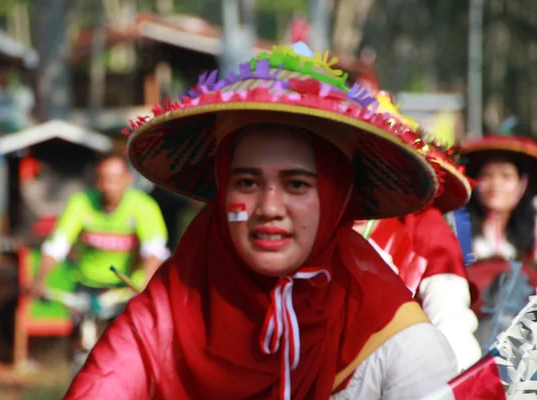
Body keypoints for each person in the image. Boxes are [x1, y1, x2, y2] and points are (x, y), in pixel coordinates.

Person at [64, 43, 457, 399]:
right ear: (222, 190)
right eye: (247, 182)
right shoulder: (167, 311)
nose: (269, 206)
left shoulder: (401, 345)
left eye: (297, 184)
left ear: (337, 196)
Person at [352, 95, 481, 371]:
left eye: (376, 164)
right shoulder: (310, 217)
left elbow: (451, 320)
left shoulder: (424, 226)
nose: (363, 177)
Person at [30, 153, 170, 296]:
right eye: (103, 178)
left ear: (128, 179)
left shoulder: (144, 206)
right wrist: (39, 280)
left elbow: (154, 250)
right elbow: (57, 245)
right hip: (86, 284)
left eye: (114, 179)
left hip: (125, 287)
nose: (108, 186)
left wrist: (145, 284)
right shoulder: (81, 202)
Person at [459, 135, 537, 348]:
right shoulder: (455, 225)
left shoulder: (533, 231)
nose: (496, 185)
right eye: (487, 176)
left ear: (523, 183)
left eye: (506, 176)